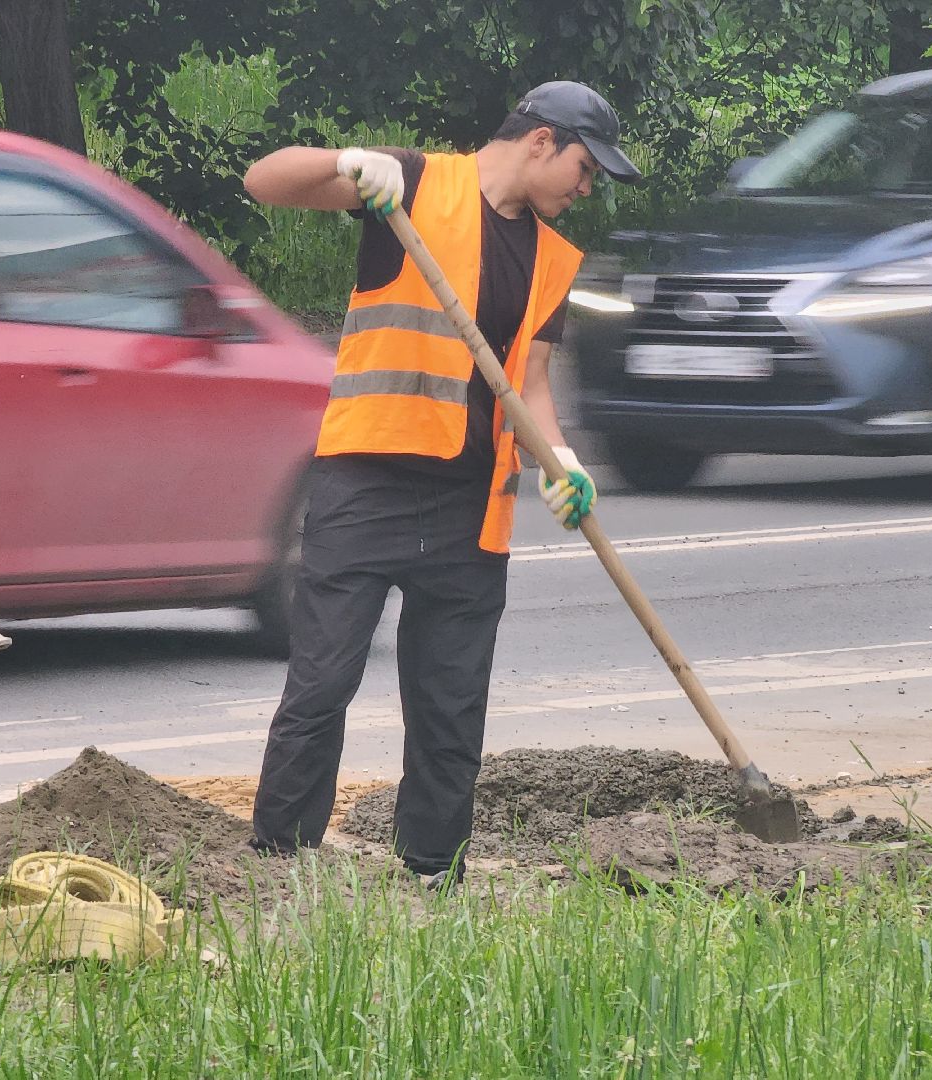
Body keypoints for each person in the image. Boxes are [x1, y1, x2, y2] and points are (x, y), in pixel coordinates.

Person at [245, 81, 643, 886]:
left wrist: (560, 463)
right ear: (540, 142)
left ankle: (433, 869)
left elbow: (529, 385)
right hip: (367, 479)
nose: (587, 186)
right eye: (585, 167)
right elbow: (265, 179)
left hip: (471, 503)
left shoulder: (553, 258)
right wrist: (348, 162)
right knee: (322, 684)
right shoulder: (413, 185)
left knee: (451, 705)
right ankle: (278, 864)